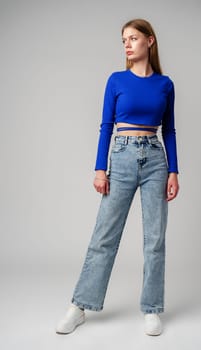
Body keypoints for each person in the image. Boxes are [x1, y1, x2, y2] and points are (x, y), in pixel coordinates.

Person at [55, 18, 179, 336]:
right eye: (124, 39)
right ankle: (79, 307)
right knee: (104, 238)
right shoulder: (115, 80)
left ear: (149, 42)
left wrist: (174, 171)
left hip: (155, 160)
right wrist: (100, 168)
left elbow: (171, 131)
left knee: (155, 240)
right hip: (121, 157)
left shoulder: (165, 85)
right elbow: (106, 127)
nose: (126, 43)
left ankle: (151, 309)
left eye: (133, 38)